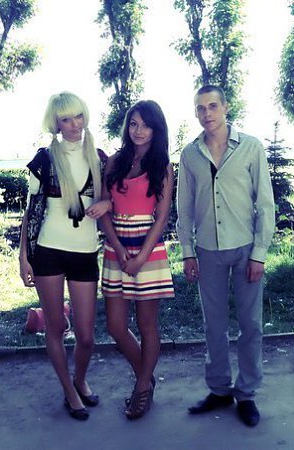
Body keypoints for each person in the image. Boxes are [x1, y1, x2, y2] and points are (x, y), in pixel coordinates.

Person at [176, 85, 275, 427]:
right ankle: (219, 389)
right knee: (214, 326)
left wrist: (259, 253)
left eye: (213, 106)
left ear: (226, 107)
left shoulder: (251, 147)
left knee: (251, 325)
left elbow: (265, 203)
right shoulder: (190, 155)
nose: (207, 113)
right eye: (200, 108)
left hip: (245, 248)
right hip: (207, 251)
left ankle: (246, 393)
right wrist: (187, 252)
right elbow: (184, 208)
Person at [18, 92, 110, 421]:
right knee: (55, 327)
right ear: (56, 123)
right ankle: (69, 392)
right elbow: (31, 211)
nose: (74, 124)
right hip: (49, 252)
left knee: (86, 335)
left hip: (85, 252)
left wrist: (107, 204)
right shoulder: (44, 159)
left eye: (78, 116)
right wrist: (24, 257)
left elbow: (112, 197)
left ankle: (80, 380)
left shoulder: (99, 158)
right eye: (66, 119)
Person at [100, 100, 175, 420]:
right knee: (116, 326)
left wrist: (141, 256)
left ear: (156, 129)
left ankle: (142, 387)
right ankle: (146, 375)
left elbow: (162, 216)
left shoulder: (163, 166)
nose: (139, 130)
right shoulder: (114, 162)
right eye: (133, 124)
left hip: (148, 250)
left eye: (146, 125)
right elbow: (104, 209)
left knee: (147, 325)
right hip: (116, 249)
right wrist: (118, 249)